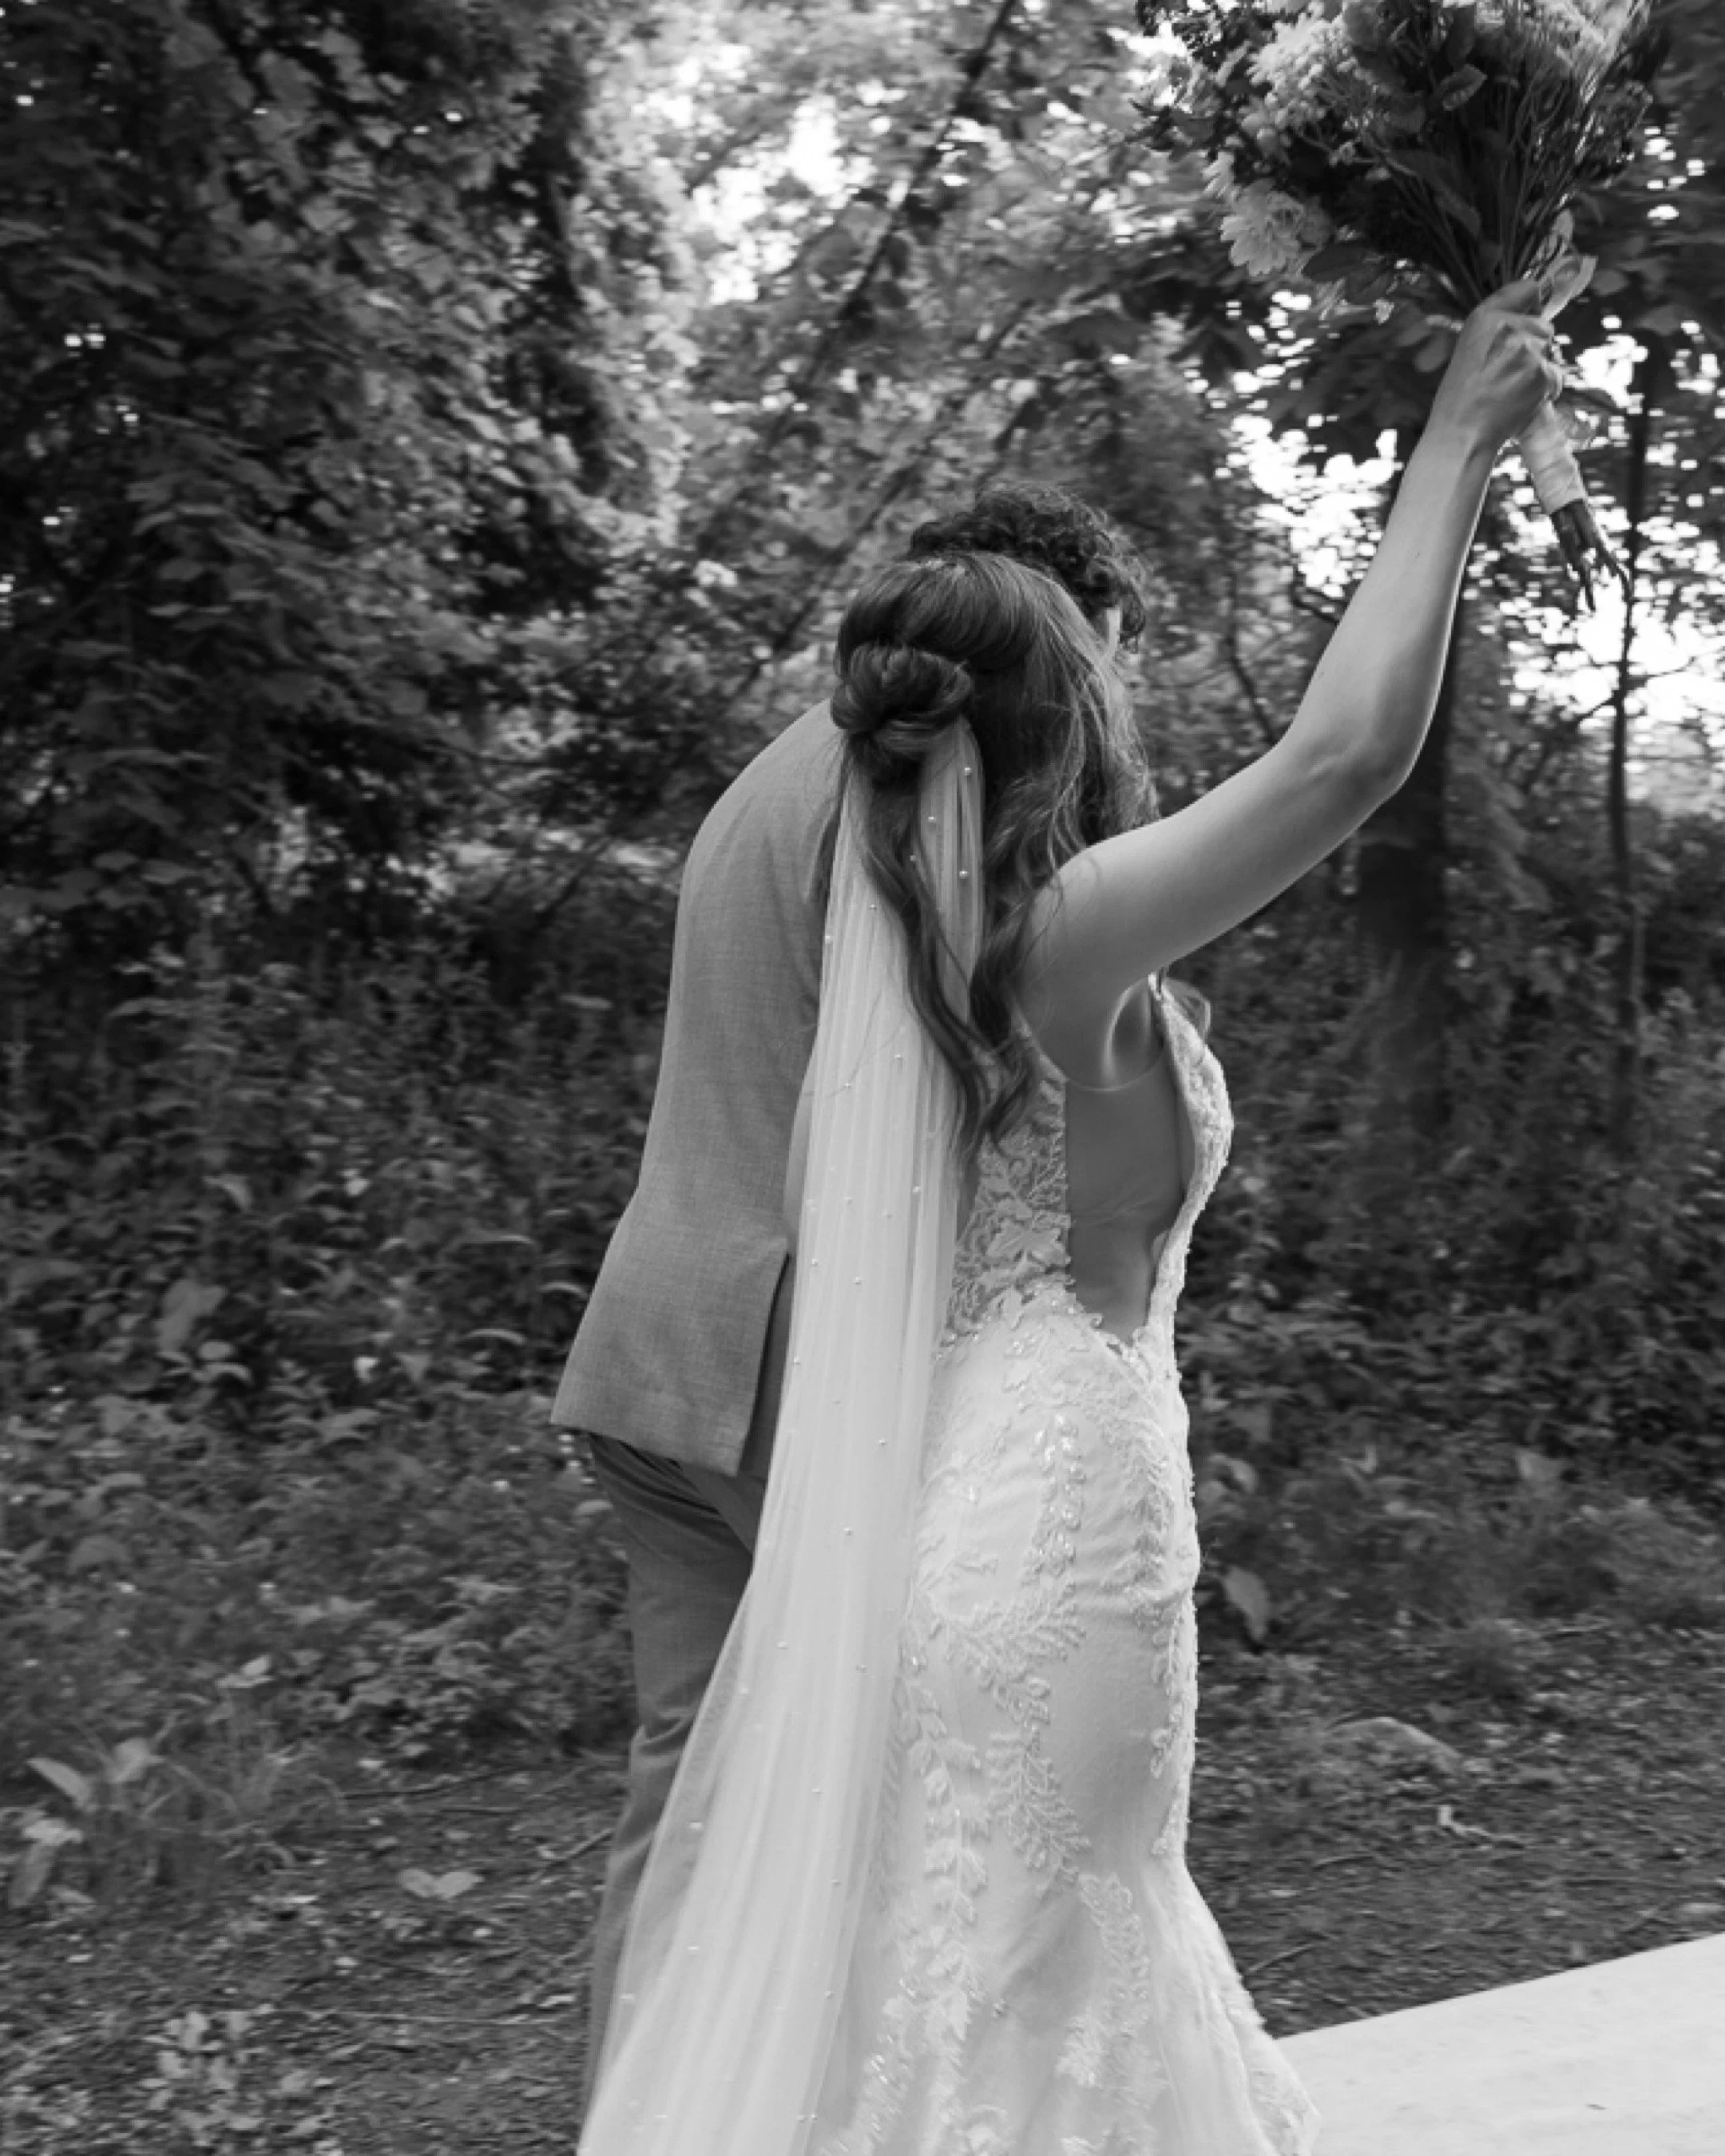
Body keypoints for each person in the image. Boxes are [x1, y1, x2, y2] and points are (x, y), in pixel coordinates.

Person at [565, 283, 1561, 2154]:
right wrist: (1452, 451)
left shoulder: (872, 883)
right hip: (1023, 1516)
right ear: (1069, 703)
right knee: (1043, 1963)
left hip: (859, 1439)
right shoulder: (1057, 938)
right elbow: (1344, 759)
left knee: (881, 1918)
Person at [555, 482, 1153, 2086]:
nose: (1088, 719)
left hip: (652, 1342)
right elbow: (954, 1120)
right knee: (873, 1801)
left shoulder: (773, 774)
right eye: (1084, 669)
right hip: (791, 1366)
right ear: (1028, 621)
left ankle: (641, 2112)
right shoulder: (912, 809)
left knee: (688, 1791)